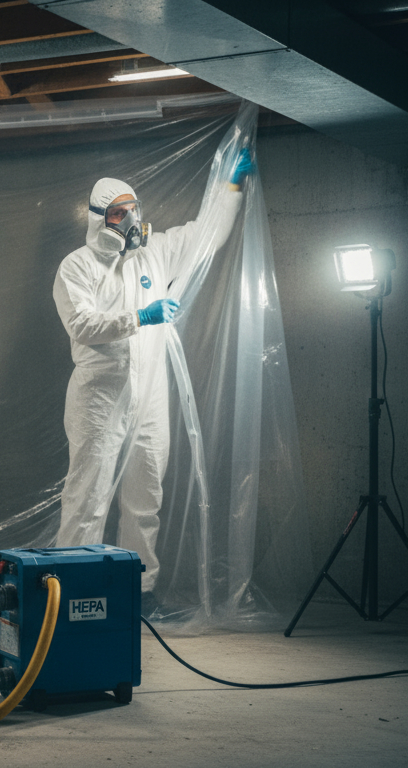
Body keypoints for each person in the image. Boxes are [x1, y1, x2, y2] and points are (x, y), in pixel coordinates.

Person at [53, 149, 255, 610]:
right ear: (99, 219)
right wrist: (139, 316)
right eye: (118, 213)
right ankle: (68, 592)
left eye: (132, 211)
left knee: (146, 496)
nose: (128, 221)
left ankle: (138, 591)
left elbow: (207, 235)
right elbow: (83, 325)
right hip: (99, 397)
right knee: (88, 497)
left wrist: (230, 187)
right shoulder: (77, 266)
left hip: (150, 396)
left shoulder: (156, 253)